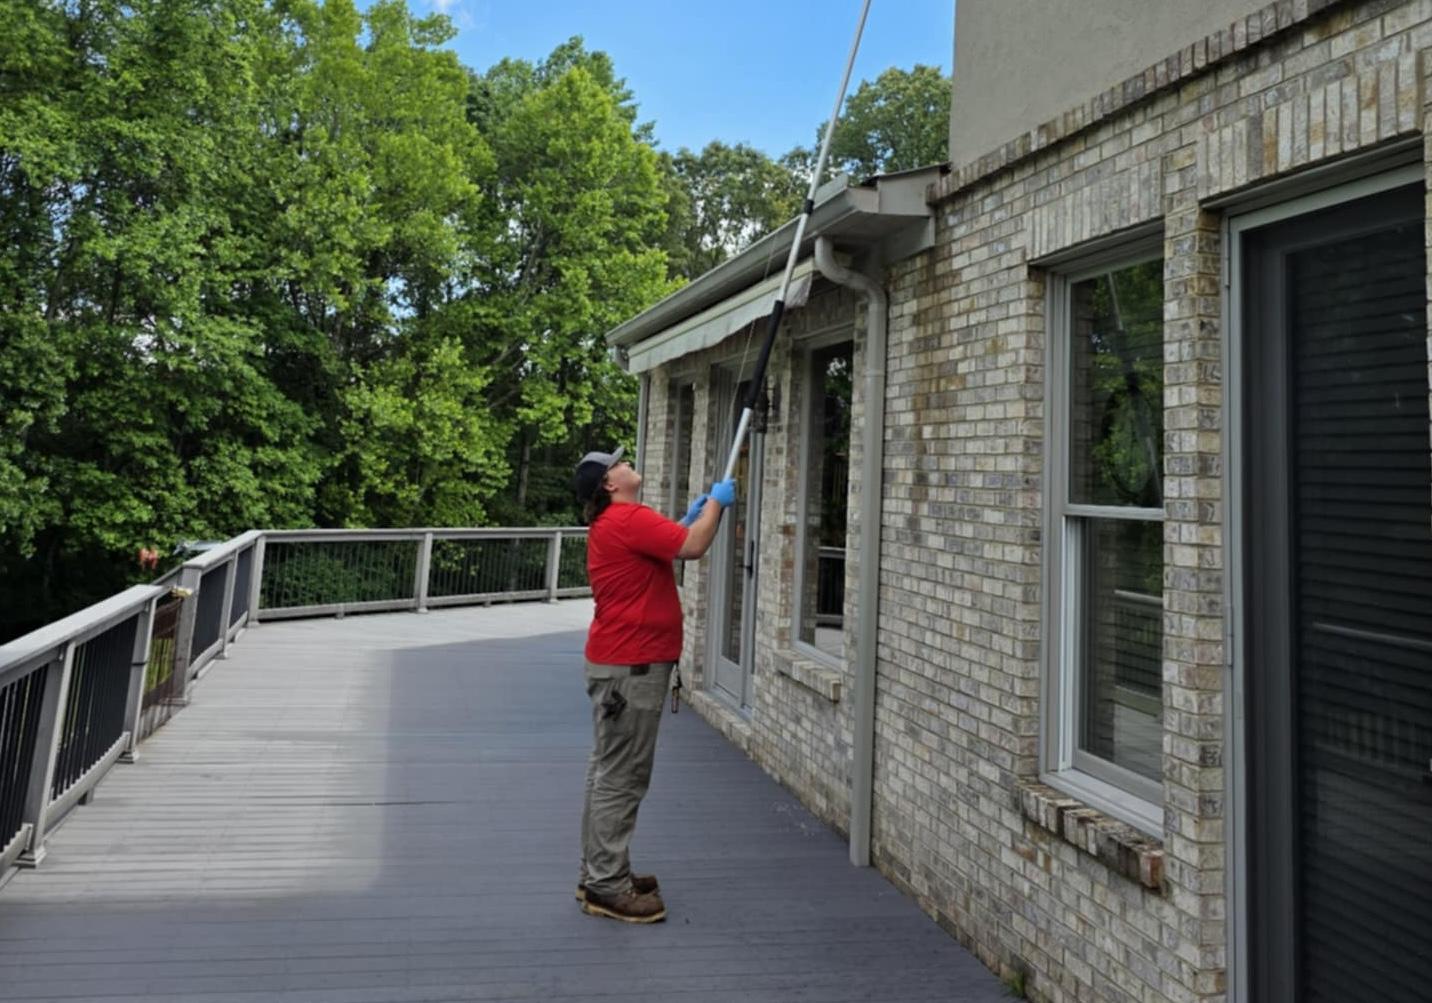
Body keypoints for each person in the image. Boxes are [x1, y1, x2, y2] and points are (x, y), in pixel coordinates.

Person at [571, 446, 735, 923]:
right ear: (609, 484)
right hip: (632, 668)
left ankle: (600, 871)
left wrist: (692, 518)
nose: (628, 464)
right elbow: (693, 546)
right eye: (619, 463)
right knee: (621, 779)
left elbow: (676, 539)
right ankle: (606, 886)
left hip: (620, 665)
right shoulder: (626, 519)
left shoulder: (619, 524)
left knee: (606, 772)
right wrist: (717, 506)